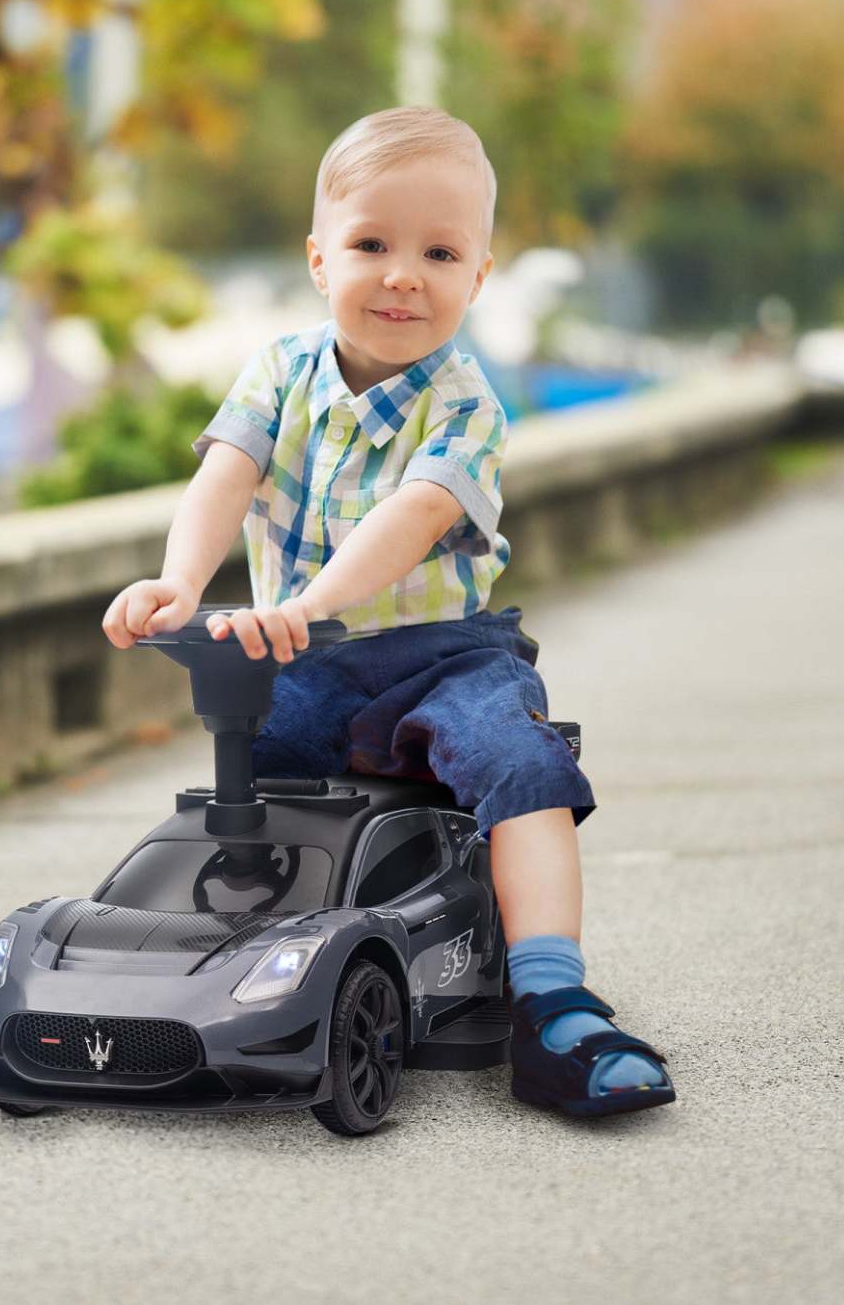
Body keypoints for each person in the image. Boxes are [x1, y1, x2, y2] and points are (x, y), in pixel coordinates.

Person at [101, 106, 674, 1117]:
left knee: (517, 759)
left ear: (476, 277)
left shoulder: (464, 404)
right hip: (307, 659)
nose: (402, 273)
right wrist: (180, 584)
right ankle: (231, 971)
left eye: (437, 251)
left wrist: (312, 600)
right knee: (250, 781)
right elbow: (224, 476)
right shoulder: (276, 370)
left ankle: (551, 998)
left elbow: (413, 515)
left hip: (441, 652)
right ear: (320, 260)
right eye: (371, 244)